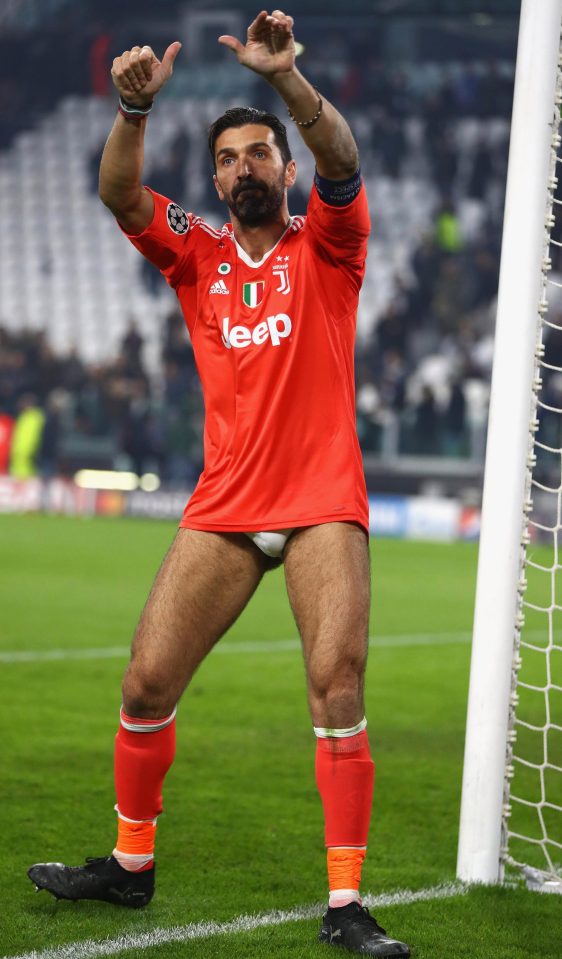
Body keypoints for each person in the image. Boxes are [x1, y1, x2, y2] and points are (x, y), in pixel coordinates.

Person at [28, 11, 410, 957]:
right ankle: (130, 863)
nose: (246, 168)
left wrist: (286, 82)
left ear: (284, 169)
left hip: (322, 500)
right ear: (215, 179)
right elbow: (119, 195)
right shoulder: (195, 251)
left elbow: (345, 158)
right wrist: (131, 108)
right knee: (146, 678)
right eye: (230, 159)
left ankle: (347, 902)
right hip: (226, 506)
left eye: (260, 155)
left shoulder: (330, 242)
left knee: (336, 685)